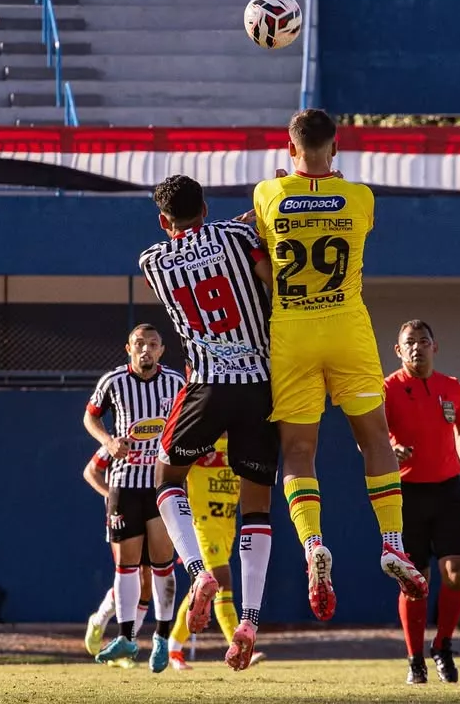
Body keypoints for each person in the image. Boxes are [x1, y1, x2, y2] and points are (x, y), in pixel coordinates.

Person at [250, 108, 427, 622]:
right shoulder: (361, 198)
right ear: (336, 145)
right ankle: (392, 544)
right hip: (347, 327)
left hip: (294, 331)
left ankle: (313, 546)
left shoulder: (267, 195)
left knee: (299, 452)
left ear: (289, 148)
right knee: (374, 439)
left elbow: (266, 240)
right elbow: (338, 196)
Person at [139, 174, 279, 671]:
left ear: (162, 220)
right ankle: (250, 621)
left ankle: (198, 570)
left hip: (207, 383)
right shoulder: (239, 240)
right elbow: (270, 278)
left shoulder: (153, 263)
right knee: (257, 504)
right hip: (262, 382)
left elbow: (195, 247)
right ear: (207, 205)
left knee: (165, 477)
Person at [82, 324, 185, 673]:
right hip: (125, 485)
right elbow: (90, 417)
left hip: (162, 485)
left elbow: (193, 417)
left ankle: (162, 636)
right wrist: (109, 442)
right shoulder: (113, 382)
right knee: (127, 566)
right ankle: (126, 637)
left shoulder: (176, 382)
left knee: (161, 563)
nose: (146, 350)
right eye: (139, 344)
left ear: (161, 350)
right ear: (128, 348)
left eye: (152, 345)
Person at [383, 320, 460, 685]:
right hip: (407, 494)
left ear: (435, 347)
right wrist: (391, 449)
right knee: (414, 581)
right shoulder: (388, 389)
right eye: (410, 342)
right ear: (398, 350)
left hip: (448, 490)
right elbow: (370, 439)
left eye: (424, 341)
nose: (417, 348)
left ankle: (443, 645)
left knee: (457, 574)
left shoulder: (451, 387)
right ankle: (415, 659)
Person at [167, 434, 265, 670]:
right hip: (202, 525)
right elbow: (171, 473)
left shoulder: (240, 445)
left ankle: (173, 647)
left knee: (202, 591)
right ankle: (239, 645)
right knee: (222, 581)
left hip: (227, 524)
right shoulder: (198, 444)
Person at [82, 444, 154, 668]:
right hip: (123, 516)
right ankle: (100, 619)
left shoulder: (159, 437)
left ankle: (127, 644)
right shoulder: (118, 441)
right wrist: (113, 494)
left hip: (152, 514)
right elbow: (90, 471)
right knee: (129, 573)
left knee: (147, 582)